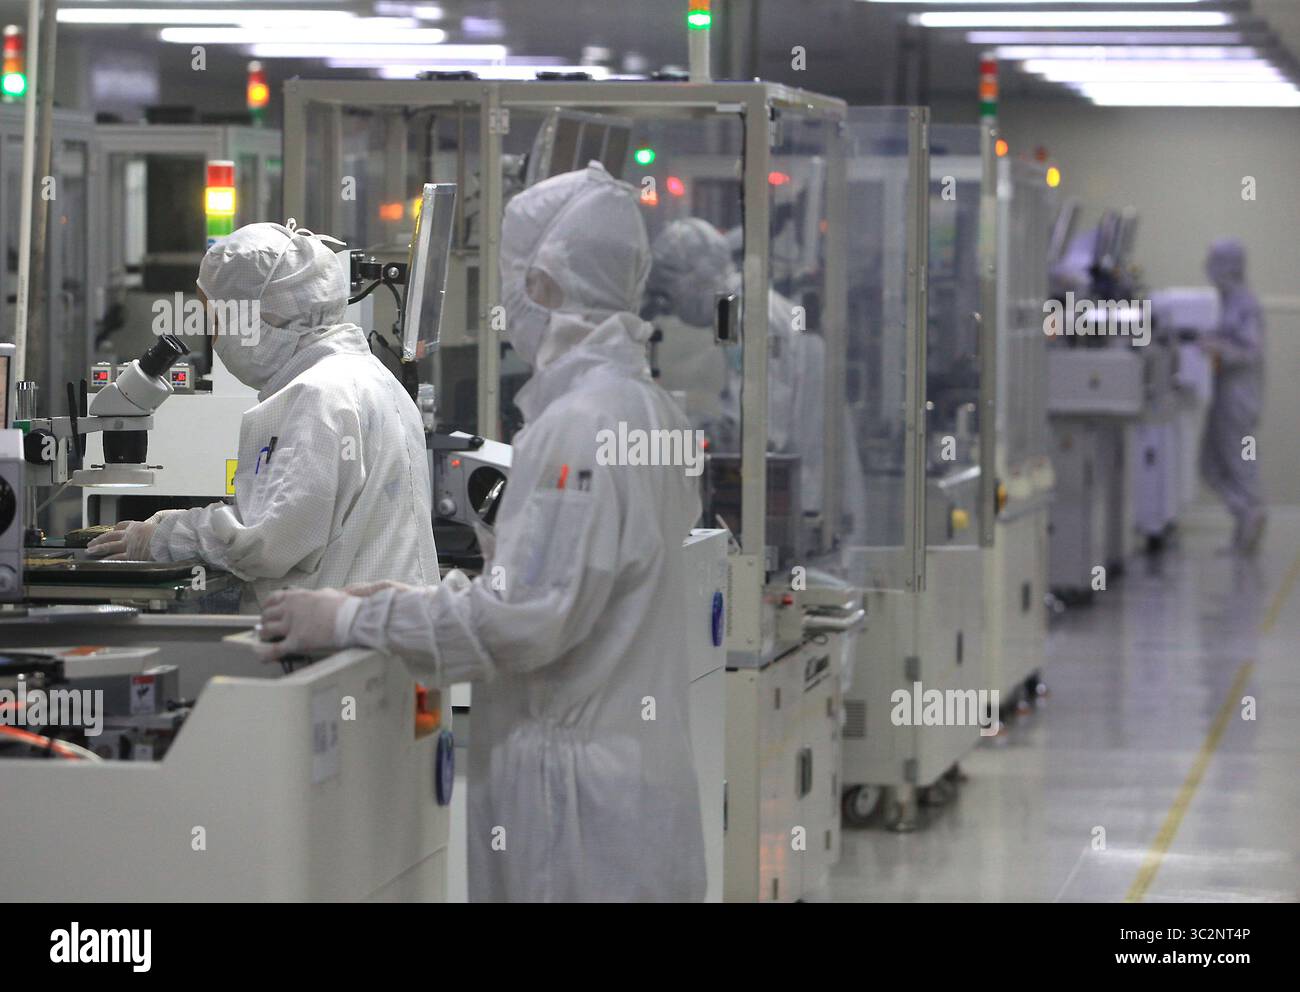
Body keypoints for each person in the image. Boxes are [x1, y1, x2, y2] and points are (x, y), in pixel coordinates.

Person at [256, 163, 707, 902]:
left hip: (577, 822)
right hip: (629, 793)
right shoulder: (644, 408)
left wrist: (352, 616)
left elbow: (524, 624)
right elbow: (553, 593)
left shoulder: (580, 427)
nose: (508, 298)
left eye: (514, 276)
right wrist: (412, 602)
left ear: (546, 284)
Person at [89, 221, 439, 602]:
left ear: (258, 318)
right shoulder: (372, 379)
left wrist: (160, 537)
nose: (216, 338)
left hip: (338, 645)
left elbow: (265, 541)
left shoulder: (317, 395)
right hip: (379, 635)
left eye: (218, 320)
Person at [1199, 238, 1266, 555]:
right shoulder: (1227, 300)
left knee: (1237, 461)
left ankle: (1249, 513)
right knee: (1211, 464)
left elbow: (1251, 351)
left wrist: (1218, 349)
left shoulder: (1244, 302)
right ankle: (1245, 517)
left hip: (1238, 395)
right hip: (1225, 390)